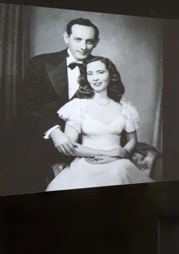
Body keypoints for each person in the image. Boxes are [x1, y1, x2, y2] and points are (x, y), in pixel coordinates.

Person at [46, 56, 153, 190]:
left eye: (100, 72)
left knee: (118, 173)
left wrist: (119, 154)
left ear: (111, 75)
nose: (95, 78)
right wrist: (107, 153)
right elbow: (71, 146)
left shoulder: (125, 108)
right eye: (90, 74)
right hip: (86, 163)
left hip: (118, 163)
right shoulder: (78, 107)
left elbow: (132, 141)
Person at [16, 17, 100, 186]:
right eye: (78, 40)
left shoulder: (101, 67)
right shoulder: (40, 63)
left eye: (89, 42)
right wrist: (54, 132)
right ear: (66, 37)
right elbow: (27, 106)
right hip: (42, 134)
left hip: (82, 138)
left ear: (96, 43)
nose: (83, 47)